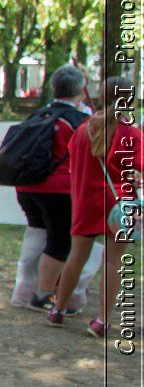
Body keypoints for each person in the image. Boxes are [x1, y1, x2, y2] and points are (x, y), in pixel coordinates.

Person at [50, 77, 140, 337]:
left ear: (101, 95)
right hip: (120, 206)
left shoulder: (83, 130)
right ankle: (102, 321)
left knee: (76, 257)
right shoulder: (131, 134)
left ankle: (58, 311)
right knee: (113, 262)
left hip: (87, 202)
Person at [10, 65, 88, 312]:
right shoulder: (79, 121)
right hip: (59, 190)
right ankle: (44, 295)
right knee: (59, 241)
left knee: (37, 232)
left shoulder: (38, 115)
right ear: (81, 92)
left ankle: (24, 291)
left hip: (26, 186)